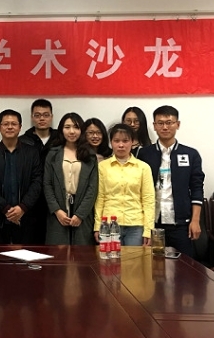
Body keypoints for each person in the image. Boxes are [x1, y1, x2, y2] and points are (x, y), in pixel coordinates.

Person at [138, 105, 205, 257]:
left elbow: (196, 188)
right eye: (160, 123)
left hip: (180, 223)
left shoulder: (191, 154)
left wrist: (195, 220)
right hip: (152, 223)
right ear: (154, 125)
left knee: (184, 266)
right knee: (153, 265)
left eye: (169, 122)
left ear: (177, 124)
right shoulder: (144, 154)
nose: (165, 127)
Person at [0, 109, 42, 244]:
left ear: (20, 127)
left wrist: (22, 207)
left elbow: (37, 183)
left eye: (13, 124)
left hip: (26, 219)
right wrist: (6, 209)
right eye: (6, 124)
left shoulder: (32, 153)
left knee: (25, 256)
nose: (9, 127)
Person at [94, 124, 155, 246]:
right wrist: (97, 226)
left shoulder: (143, 168)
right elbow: (100, 198)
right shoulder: (102, 167)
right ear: (111, 142)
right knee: (110, 258)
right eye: (116, 141)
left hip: (135, 225)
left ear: (132, 142)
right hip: (109, 224)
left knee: (133, 258)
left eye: (125, 141)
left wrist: (148, 230)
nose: (121, 145)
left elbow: (148, 200)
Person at [43, 113, 98, 245]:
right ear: (61, 130)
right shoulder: (53, 154)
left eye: (76, 127)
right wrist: (57, 211)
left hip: (82, 211)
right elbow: (47, 184)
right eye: (67, 127)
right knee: (58, 253)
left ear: (81, 130)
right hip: (59, 210)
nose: (72, 131)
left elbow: (92, 188)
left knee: (81, 253)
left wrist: (80, 214)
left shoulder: (90, 155)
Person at [19, 99, 60, 244]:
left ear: (51, 117)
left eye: (45, 115)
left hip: (56, 200)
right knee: (31, 244)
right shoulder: (22, 141)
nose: (41, 119)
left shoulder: (60, 139)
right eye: (37, 115)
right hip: (30, 202)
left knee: (54, 245)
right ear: (32, 117)